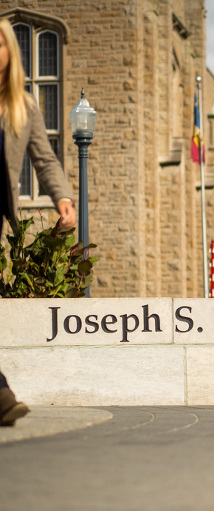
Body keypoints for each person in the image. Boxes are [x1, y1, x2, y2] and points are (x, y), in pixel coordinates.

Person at [0, 20, 76, 427]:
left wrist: (62, 196)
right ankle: (1, 394)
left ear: (11, 51)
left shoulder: (23, 106)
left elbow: (43, 159)